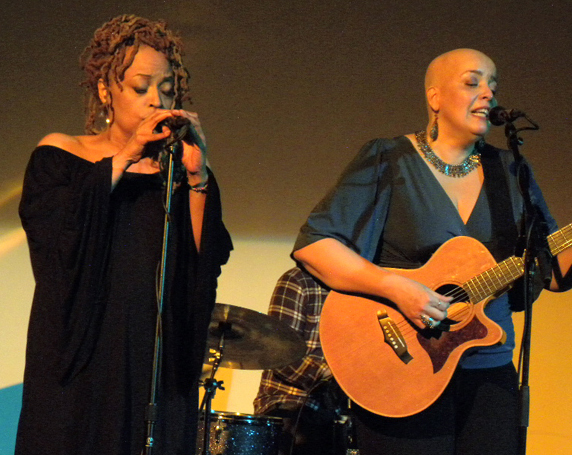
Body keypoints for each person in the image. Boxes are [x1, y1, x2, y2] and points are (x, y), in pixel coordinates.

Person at [291, 48, 572, 455]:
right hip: (401, 366)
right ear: (434, 97)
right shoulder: (388, 159)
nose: (488, 93)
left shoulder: (511, 172)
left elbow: (551, 273)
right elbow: (316, 246)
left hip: (489, 368)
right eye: (472, 82)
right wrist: (397, 288)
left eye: (493, 85)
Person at [15, 15, 232, 455]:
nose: (156, 100)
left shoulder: (178, 175)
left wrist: (198, 178)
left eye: (166, 89)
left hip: (153, 364)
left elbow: (203, 262)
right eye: (140, 87)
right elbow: (55, 243)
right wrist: (127, 154)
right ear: (104, 91)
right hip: (81, 360)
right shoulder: (62, 154)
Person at [254, 266, 348, 455]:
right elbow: (279, 355)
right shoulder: (300, 280)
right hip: (291, 403)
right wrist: (332, 377)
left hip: (336, 413)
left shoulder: (363, 294)